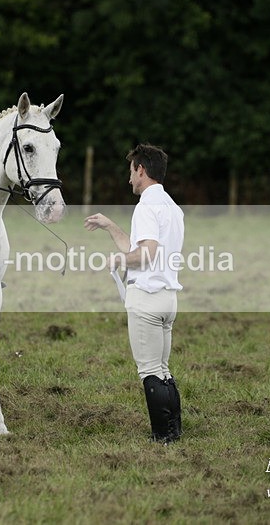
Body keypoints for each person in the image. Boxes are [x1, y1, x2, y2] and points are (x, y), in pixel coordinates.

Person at [84, 144, 185, 444]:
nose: (129, 179)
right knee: (163, 368)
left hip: (146, 298)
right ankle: (174, 431)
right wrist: (109, 226)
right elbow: (139, 244)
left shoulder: (145, 207)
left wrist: (118, 261)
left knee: (150, 371)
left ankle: (162, 437)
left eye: (131, 172)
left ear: (141, 170)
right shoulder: (172, 208)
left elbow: (145, 254)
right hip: (168, 299)